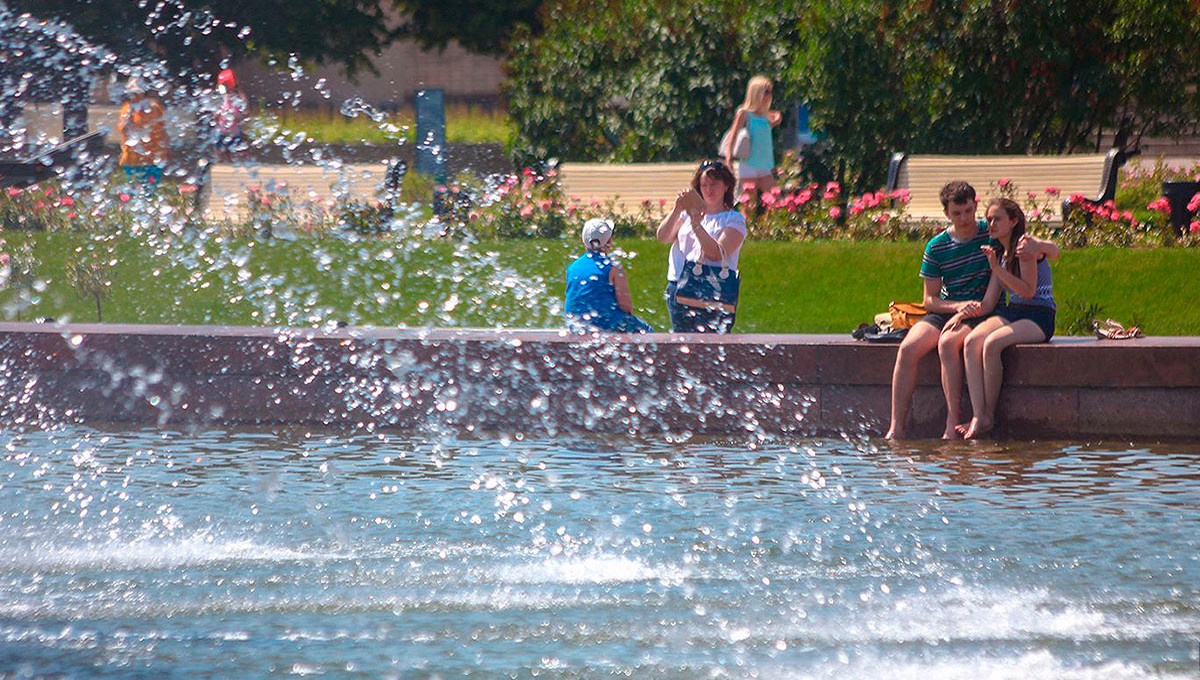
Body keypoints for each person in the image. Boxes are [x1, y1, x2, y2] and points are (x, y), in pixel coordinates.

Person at [886, 180, 1058, 439]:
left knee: (950, 343)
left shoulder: (991, 234)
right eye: (957, 213)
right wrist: (957, 308)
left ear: (975, 206)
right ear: (946, 214)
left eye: (968, 211)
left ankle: (952, 423)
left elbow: (1036, 262)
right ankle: (896, 428)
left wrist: (1041, 246)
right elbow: (929, 301)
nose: (965, 218)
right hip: (950, 308)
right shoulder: (937, 246)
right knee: (909, 348)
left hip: (986, 311)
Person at [949, 198, 1057, 439]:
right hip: (1014, 311)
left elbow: (1028, 291)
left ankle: (988, 415)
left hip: (1038, 314)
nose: (991, 224)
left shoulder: (1024, 248)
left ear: (1013, 221)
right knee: (971, 342)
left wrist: (998, 270)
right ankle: (979, 415)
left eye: (997, 219)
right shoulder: (999, 253)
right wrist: (961, 314)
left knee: (992, 343)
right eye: (988, 219)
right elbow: (988, 303)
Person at [656, 160, 747, 333]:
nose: (708, 189)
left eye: (714, 184)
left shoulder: (734, 219)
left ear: (726, 186)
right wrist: (678, 209)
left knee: (713, 346)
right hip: (680, 285)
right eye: (704, 185)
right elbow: (663, 237)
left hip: (715, 287)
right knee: (682, 343)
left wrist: (697, 225)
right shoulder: (686, 214)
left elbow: (716, 254)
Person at [564, 218, 653, 334]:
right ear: (609, 242)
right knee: (648, 332)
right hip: (604, 322)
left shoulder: (572, 267)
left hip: (575, 323)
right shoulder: (613, 267)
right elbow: (626, 305)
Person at [721, 75, 782, 198]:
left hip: (766, 165)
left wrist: (778, 117)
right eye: (766, 92)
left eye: (770, 92)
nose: (769, 95)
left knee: (775, 201)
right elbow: (733, 135)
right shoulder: (744, 114)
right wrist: (729, 158)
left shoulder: (766, 115)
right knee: (749, 205)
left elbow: (775, 121)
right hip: (749, 165)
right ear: (756, 93)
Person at [117, 77, 169, 191]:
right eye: (131, 94)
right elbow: (122, 130)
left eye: (136, 93)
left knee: (150, 192)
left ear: (143, 93)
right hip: (131, 159)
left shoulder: (154, 108)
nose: (133, 97)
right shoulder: (126, 109)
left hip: (152, 158)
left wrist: (165, 152)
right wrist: (129, 117)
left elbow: (162, 130)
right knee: (133, 192)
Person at [212, 68, 249, 162]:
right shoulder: (222, 97)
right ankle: (222, 161)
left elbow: (245, 108)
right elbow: (216, 110)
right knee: (219, 149)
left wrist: (240, 117)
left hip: (234, 130)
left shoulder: (238, 96)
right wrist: (216, 116)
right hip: (222, 129)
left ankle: (235, 162)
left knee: (238, 149)